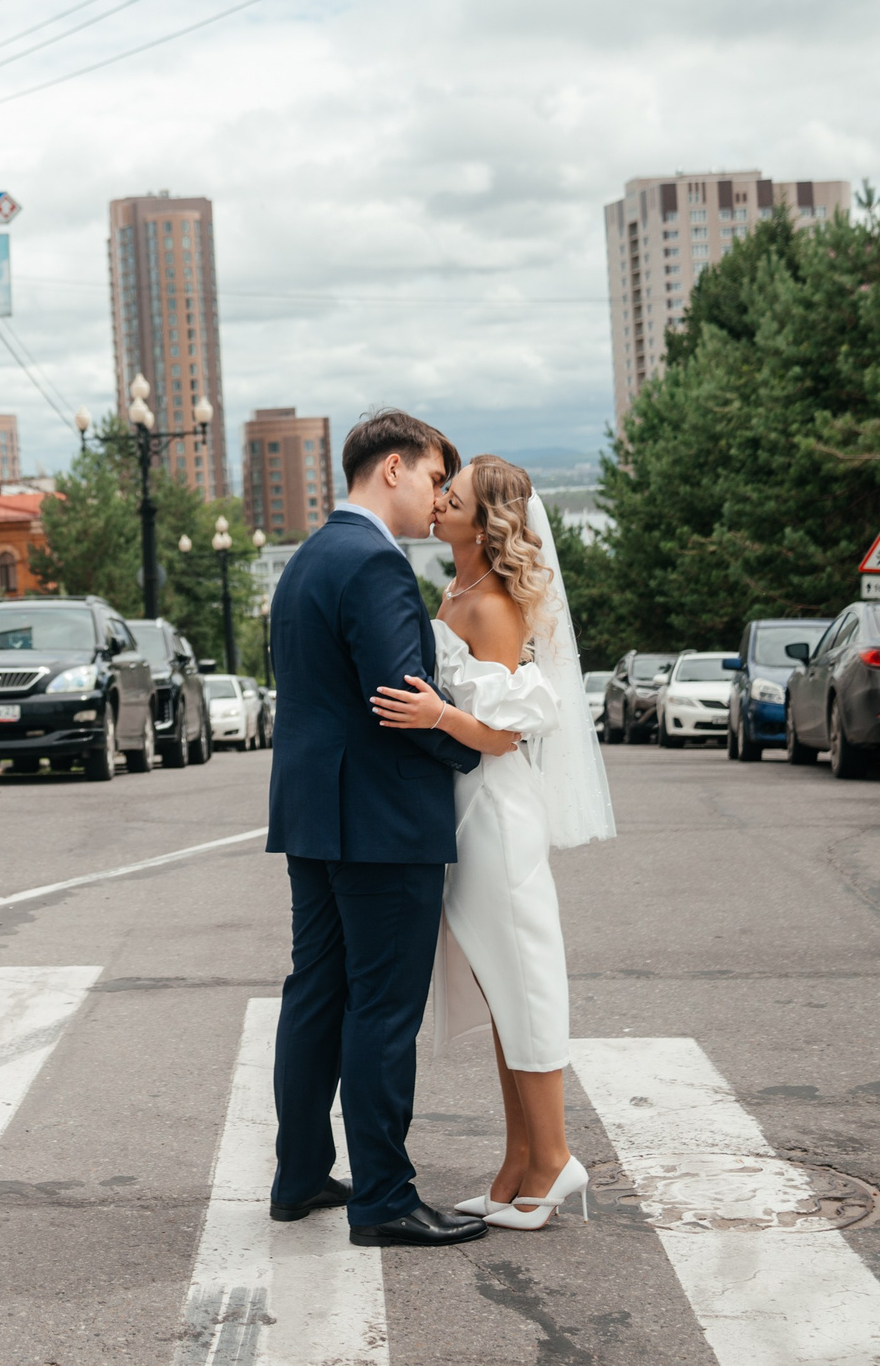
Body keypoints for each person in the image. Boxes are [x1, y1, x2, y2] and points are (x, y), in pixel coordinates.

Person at [265, 410, 523, 1248]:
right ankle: (383, 1196)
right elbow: (399, 695)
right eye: (434, 478)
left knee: (316, 993)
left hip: (314, 816)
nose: (438, 496)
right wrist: (477, 747)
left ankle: (300, 1173)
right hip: (382, 820)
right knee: (382, 1006)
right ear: (392, 469)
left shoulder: (308, 557)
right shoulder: (375, 562)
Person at [370, 454, 618, 1231]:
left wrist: (436, 716)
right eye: (443, 491)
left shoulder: (496, 606)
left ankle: (555, 1158)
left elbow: (505, 732)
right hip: (467, 810)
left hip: (498, 813)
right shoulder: (456, 591)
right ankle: (518, 1164)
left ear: (484, 525)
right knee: (501, 990)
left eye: (455, 497)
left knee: (526, 985)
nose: (439, 501)